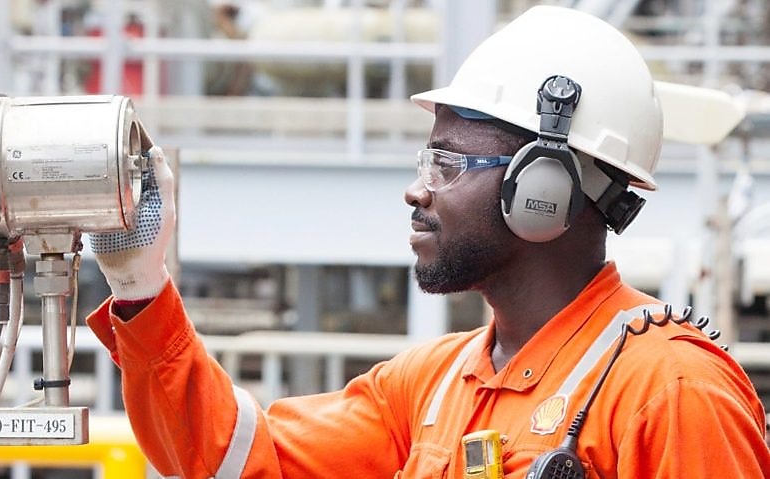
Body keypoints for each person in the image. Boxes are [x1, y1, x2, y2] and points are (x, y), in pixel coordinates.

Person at [86, 6, 770, 478]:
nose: (417, 190)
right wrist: (140, 282)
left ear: (545, 187)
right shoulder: (434, 385)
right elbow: (233, 456)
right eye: (424, 161)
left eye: (448, 163)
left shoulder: (669, 390)